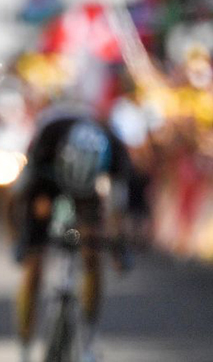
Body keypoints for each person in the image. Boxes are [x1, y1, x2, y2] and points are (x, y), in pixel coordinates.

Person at [9, 107, 133, 362]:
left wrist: (117, 248)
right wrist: (19, 240)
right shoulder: (47, 140)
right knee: (33, 264)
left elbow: (117, 211)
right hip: (48, 180)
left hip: (89, 190)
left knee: (91, 253)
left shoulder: (115, 150)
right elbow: (17, 197)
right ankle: (25, 343)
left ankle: (88, 335)